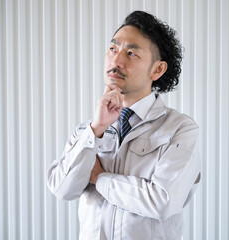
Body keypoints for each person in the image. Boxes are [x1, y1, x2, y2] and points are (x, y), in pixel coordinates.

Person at [47, 10, 201, 240]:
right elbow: (62, 189)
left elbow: (161, 202)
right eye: (113, 49)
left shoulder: (179, 129)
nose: (116, 61)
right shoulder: (87, 130)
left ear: (157, 69)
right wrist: (96, 129)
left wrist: (100, 178)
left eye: (131, 53)